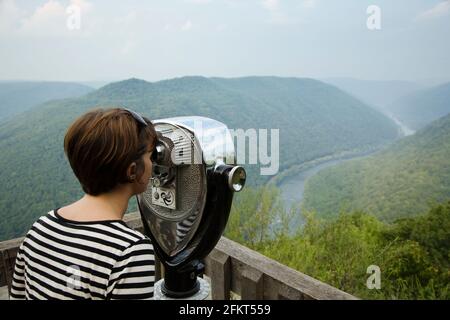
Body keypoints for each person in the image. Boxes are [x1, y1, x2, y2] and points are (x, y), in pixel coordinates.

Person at [9, 108, 157, 300]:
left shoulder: (40, 227)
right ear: (132, 170)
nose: (154, 163)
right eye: (150, 155)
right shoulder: (130, 251)